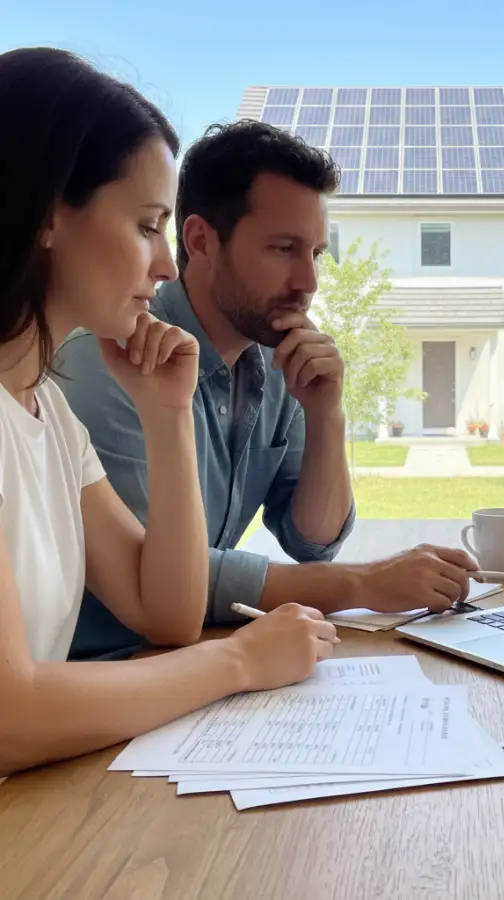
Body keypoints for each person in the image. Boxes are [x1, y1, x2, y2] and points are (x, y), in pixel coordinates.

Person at [0, 47, 339, 777]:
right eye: (149, 224)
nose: (165, 265)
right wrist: (241, 660)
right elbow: (10, 716)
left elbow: (167, 613)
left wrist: (168, 413)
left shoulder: (44, 411)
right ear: (49, 214)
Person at [55, 118, 477, 661]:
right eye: (283, 249)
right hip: (104, 669)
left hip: (187, 656)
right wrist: (361, 583)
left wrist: (327, 418)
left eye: (316, 253)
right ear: (201, 241)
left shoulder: (277, 358)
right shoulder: (110, 354)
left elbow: (313, 542)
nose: (309, 282)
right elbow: (156, 574)